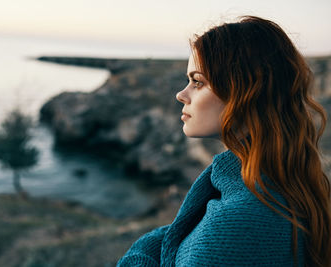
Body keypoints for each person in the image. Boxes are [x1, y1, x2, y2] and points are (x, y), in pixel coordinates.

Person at [116, 15, 331, 267]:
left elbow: (180, 238)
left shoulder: (237, 225)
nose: (181, 94)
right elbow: (180, 233)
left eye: (198, 81)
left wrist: (140, 252)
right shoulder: (283, 184)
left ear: (247, 93)